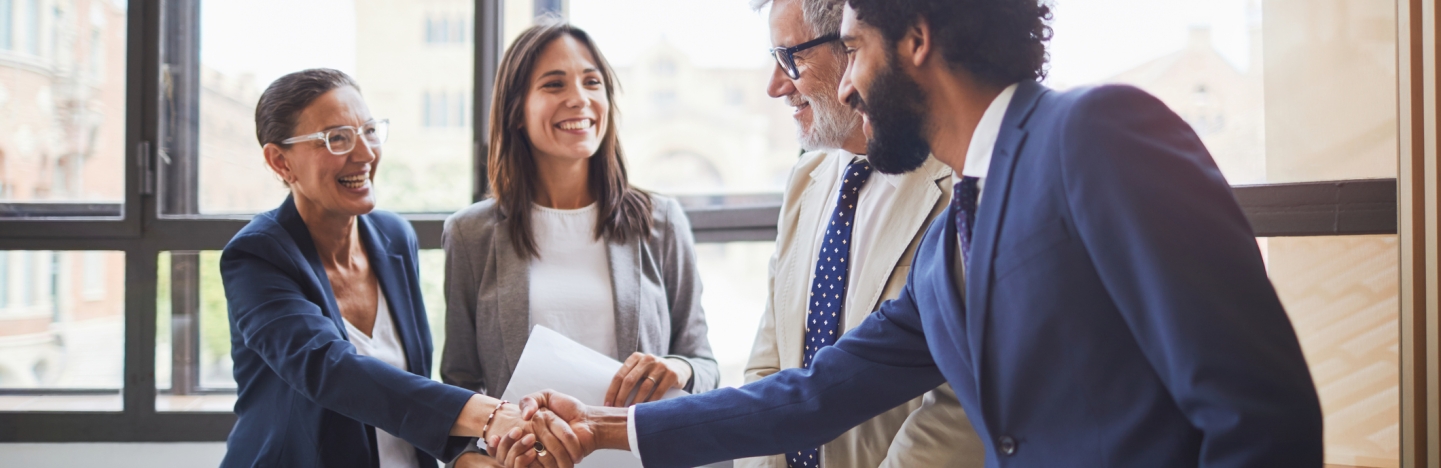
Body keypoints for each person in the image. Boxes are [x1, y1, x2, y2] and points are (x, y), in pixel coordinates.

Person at [508, 1, 1325, 467]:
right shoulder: (949, 247)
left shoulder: (1097, 131)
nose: (850, 84)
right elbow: (813, 395)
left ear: (916, 40)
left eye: (854, 50)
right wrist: (603, 430)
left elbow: (1259, 412)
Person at [220, 69, 543, 467]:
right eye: (337, 138)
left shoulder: (394, 237)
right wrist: (488, 415)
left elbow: (409, 383)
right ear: (280, 161)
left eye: (369, 131)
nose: (365, 153)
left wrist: (460, 455)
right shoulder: (257, 256)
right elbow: (329, 370)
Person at [440, 20, 718, 467]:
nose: (579, 98)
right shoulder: (471, 234)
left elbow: (704, 364)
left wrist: (678, 368)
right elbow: (458, 387)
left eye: (593, 82)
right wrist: (471, 462)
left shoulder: (660, 222)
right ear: (516, 110)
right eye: (554, 84)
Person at [739, 0, 981, 467]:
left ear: (857, 47)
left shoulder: (961, 185)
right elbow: (768, 362)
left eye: (791, 58)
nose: (774, 86)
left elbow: (961, 400)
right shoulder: (804, 182)